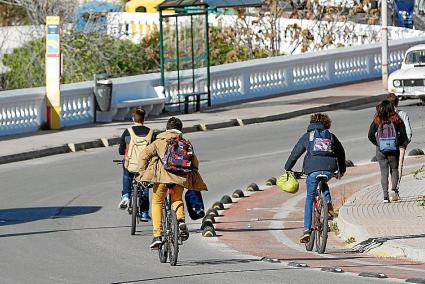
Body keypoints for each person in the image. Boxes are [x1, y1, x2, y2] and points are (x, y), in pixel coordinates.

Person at [137, 117, 207, 249]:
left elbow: (144, 156)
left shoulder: (159, 141)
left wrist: (142, 173)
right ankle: (180, 221)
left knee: (157, 202)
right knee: (177, 199)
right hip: (180, 178)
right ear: (180, 129)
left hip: (162, 179)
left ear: (167, 128)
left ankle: (157, 235)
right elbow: (195, 162)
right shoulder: (185, 142)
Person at [284, 113, 346, 243]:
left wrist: (288, 168)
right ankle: (327, 202)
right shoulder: (331, 136)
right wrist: (341, 170)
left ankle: (307, 230)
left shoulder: (308, 136)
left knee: (310, 198)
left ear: (311, 124)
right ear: (327, 123)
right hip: (329, 169)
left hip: (312, 170)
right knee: (323, 182)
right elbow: (341, 152)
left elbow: (295, 153)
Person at [368, 100, 409, 203]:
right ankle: (394, 191)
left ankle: (385, 196)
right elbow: (404, 135)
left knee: (384, 172)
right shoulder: (396, 118)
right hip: (393, 149)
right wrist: (398, 143)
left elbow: (370, 135)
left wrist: (378, 144)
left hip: (381, 150)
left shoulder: (377, 119)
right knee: (394, 170)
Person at [118, 108, 152, 222]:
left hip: (131, 164)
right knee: (145, 185)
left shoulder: (128, 131)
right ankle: (145, 213)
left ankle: (126, 195)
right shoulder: (151, 132)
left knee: (127, 174)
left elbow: (121, 151)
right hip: (145, 166)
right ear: (144, 119)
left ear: (133, 118)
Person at [387, 93, 412, 195]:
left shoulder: (384, 115)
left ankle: (388, 190)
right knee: (398, 167)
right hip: (401, 144)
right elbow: (409, 132)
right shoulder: (402, 114)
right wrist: (405, 143)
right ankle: (395, 190)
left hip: (388, 145)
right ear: (397, 102)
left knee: (388, 167)